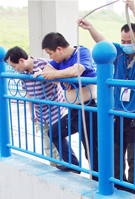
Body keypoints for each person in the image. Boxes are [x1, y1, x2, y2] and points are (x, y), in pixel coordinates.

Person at [77, 0, 135, 195]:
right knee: (116, 153)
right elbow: (102, 41)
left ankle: (133, 189)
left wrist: (134, 8)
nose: (125, 44)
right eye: (123, 41)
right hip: (117, 113)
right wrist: (90, 28)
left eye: (129, 41)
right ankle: (119, 185)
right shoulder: (118, 53)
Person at [37, 32, 98, 174]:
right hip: (72, 109)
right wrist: (66, 76)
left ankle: (97, 180)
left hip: (88, 108)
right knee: (54, 132)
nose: (50, 58)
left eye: (50, 53)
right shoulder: (60, 61)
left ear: (59, 49)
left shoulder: (81, 52)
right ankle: (72, 163)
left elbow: (77, 69)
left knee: (90, 149)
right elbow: (47, 69)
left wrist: (61, 75)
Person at [4, 46, 63, 165]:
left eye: (14, 66)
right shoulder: (22, 73)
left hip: (56, 110)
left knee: (59, 142)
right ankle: (54, 167)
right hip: (40, 113)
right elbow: (29, 94)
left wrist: (45, 75)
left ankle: (64, 167)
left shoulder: (45, 64)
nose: (14, 69)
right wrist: (32, 112)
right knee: (48, 145)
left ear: (21, 60)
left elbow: (61, 79)